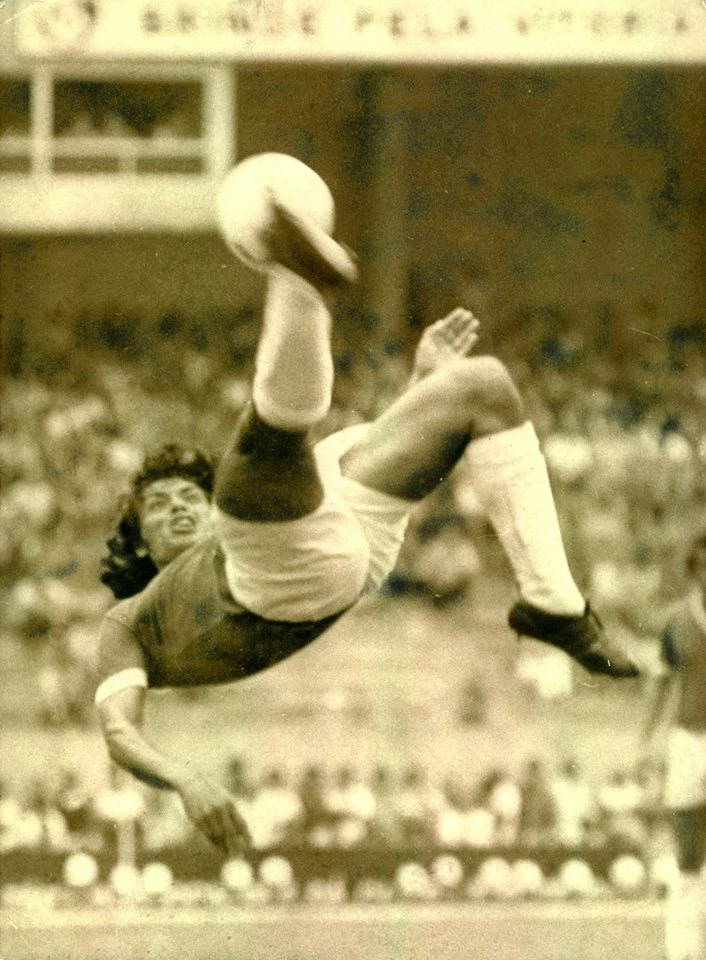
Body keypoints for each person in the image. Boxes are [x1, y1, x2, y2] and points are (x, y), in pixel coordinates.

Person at [94, 187, 637, 855]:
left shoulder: (241, 519)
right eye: (158, 505)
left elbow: (320, 499)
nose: (178, 505)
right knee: (264, 455)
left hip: (342, 535)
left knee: (484, 387)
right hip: (277, 586)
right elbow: (119, 731)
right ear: (140, 541)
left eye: (186, 497)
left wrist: (421, 383)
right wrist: (183, 779)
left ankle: (555, 605)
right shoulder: (129, 623)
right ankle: (299, 284)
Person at [642, 530, 706, 960]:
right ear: (693, 572)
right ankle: (683, 951)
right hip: (687, 741)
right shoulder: (678, 623)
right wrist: (645, 741)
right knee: (687, 856)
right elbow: (660, 683)